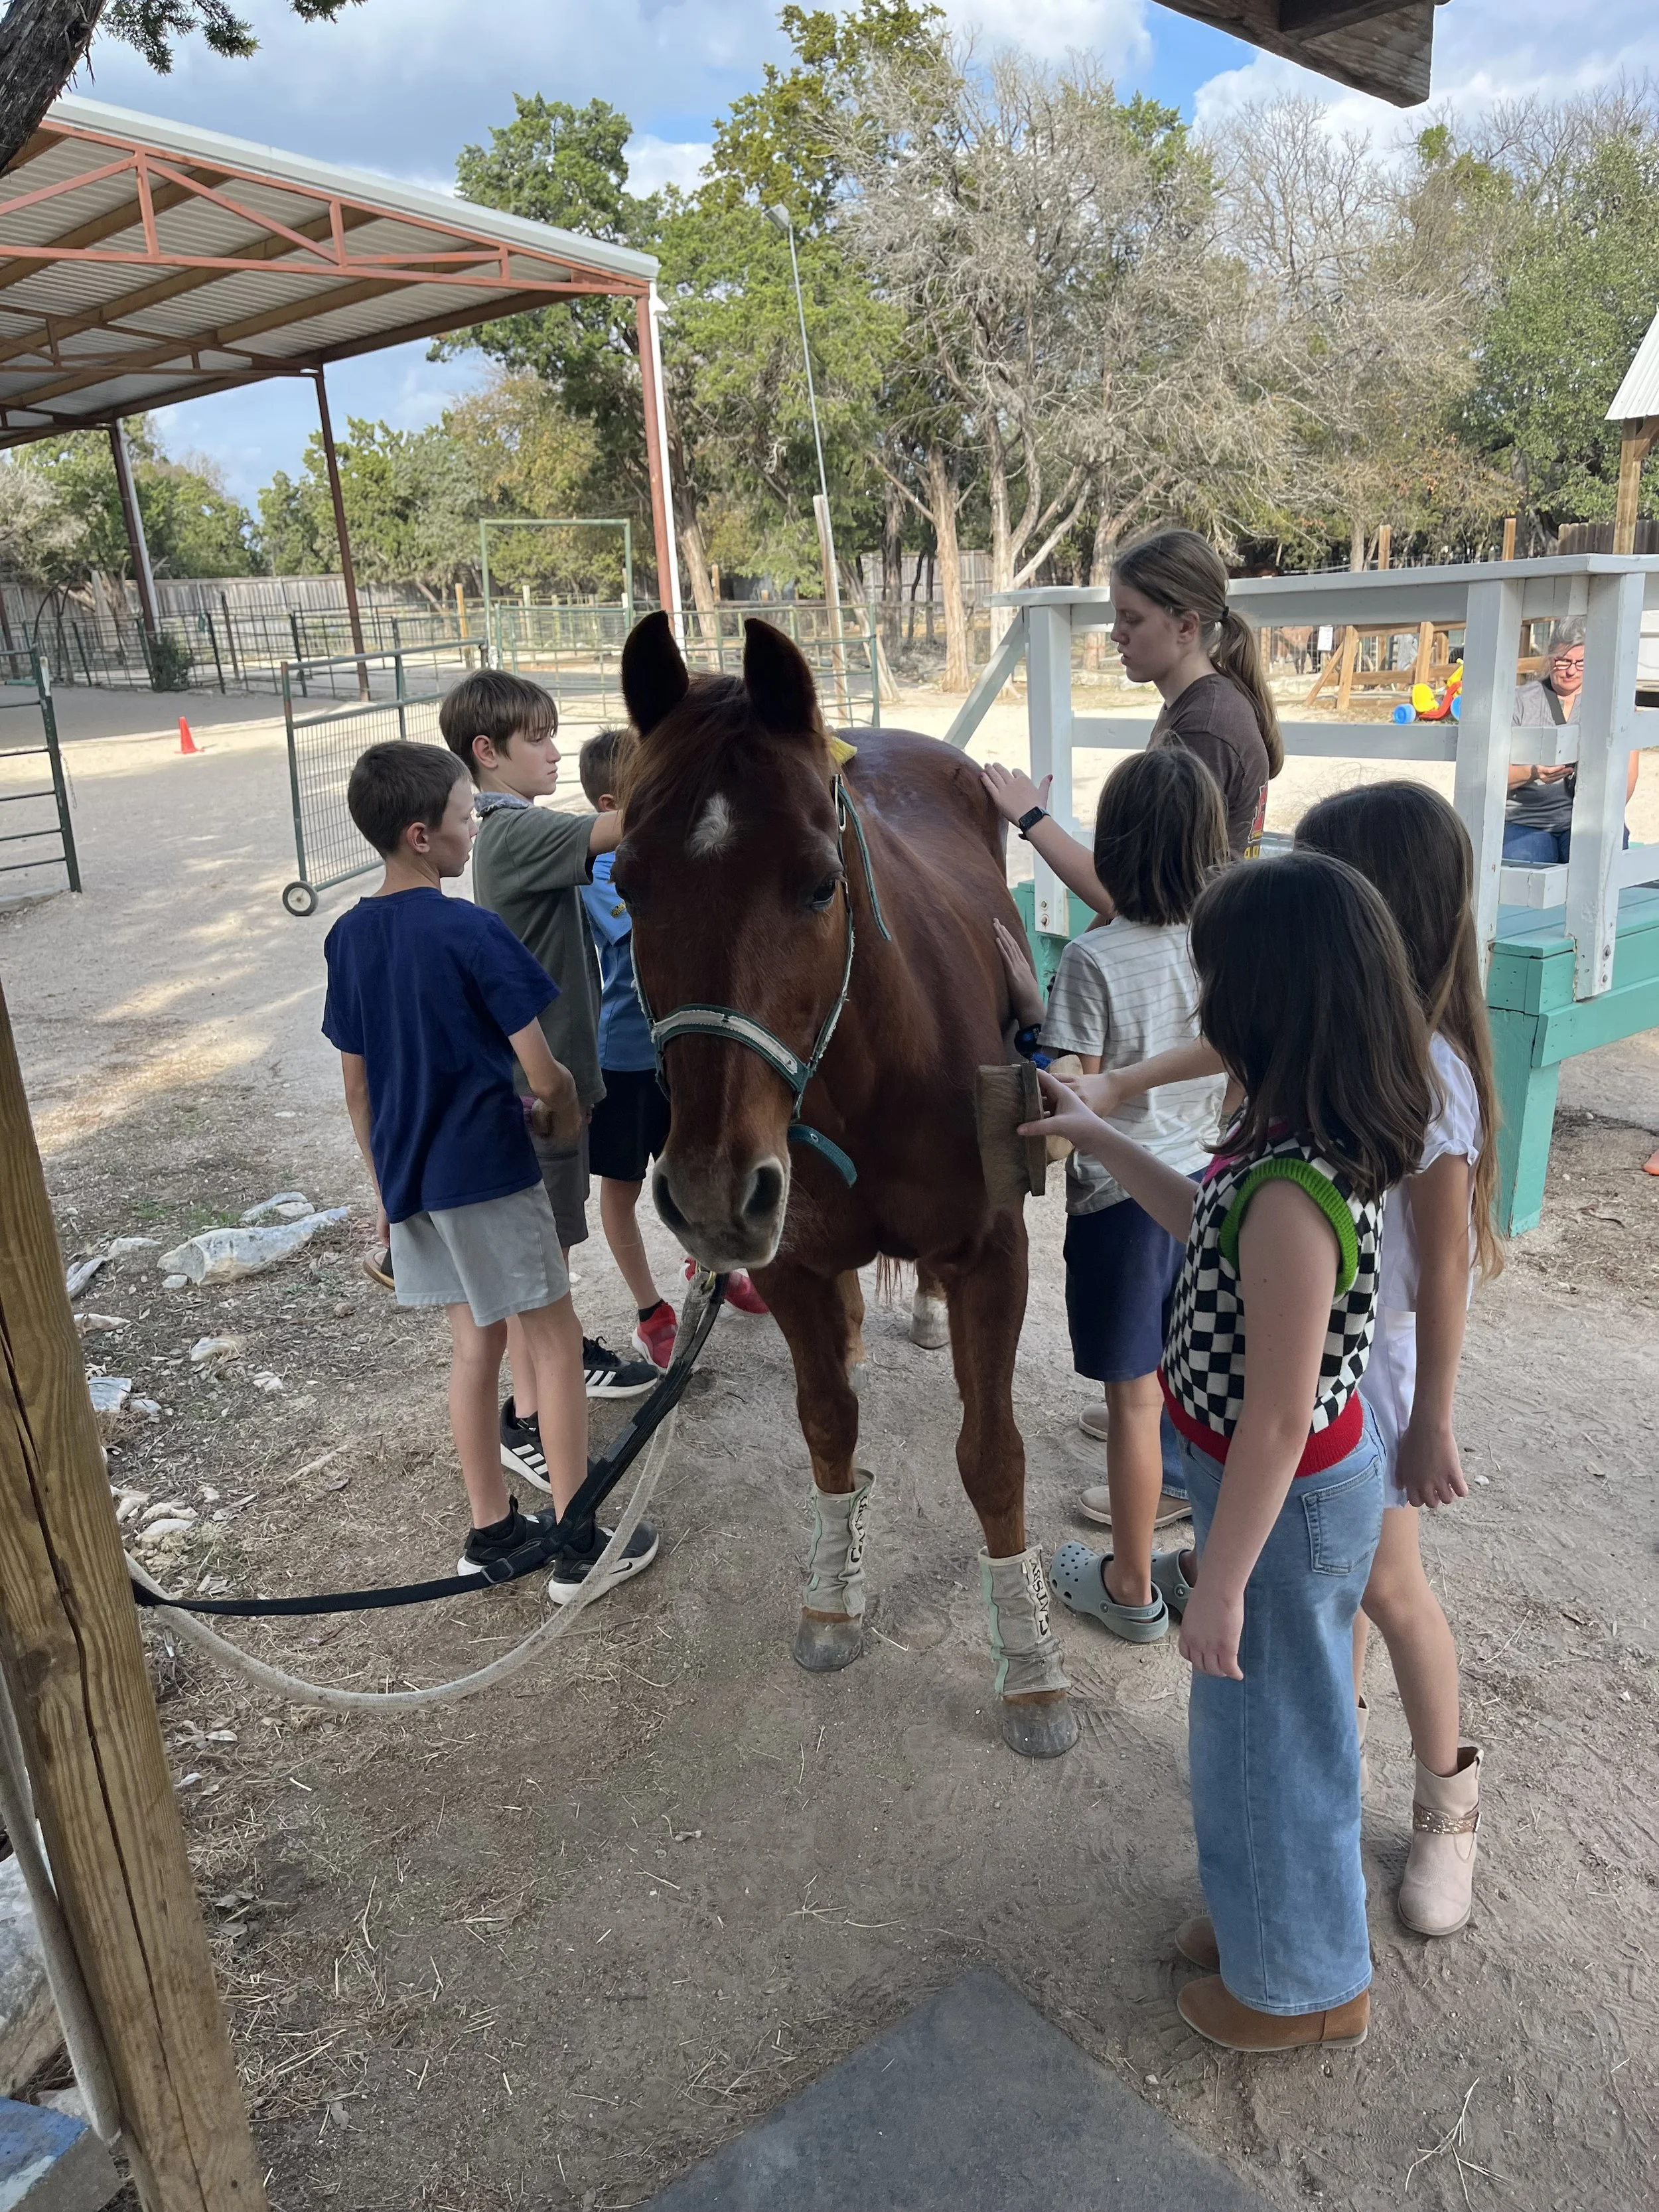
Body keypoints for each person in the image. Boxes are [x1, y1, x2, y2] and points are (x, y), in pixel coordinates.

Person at [1023, 851, 1433, 2052]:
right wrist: (1100, 1132)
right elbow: (1200, 1211)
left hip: (1285, 1509)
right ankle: (1266, 1919)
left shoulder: (1300, 1195)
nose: (1204, 1012)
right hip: (1267, 1497)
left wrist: (1224, 1581)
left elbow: (1277, 1416)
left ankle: (1303, 1988)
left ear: (1269, 1006)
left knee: (1275, 1736)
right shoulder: (1277, 1143)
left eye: (1218, 988)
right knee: (1253, 1732)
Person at [321, 741, 657, 1599]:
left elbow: (356, 1087)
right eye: (469, 816)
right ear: (423, 835)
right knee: (551, 1341)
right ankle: (579, 1540)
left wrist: (389, 1191)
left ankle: (492, 1528)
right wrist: (561, 1110)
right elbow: (545, 1073)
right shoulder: (472, 930)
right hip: (490, 1171)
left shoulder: (349, 937)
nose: (478, 830)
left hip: (415, 1185)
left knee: (473, 1347)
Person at [1296, 783, 1500, 1937]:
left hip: (1380, 1381)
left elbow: (1446, 1268)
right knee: (1338, 1584)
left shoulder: (1430, 1074)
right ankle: (1342, 1750)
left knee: (1388, 1583)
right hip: (1324, 1367)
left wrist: (1432, 1416)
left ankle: (1448, 1803)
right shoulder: (1342, 1035)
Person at [995, 751, 1228, 1631]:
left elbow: (1072, 1094)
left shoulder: (1092, 959)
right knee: (1203, 1389)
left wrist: (1029, 1017)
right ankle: (1202, 1563)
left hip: (1123, 1209)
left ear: (1115, 847)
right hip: (1207, 1186)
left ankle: (1130, 1587)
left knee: (1136, 1403)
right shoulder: (1222, 938)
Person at [438, 672, 660, 1501]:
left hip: (560, 1084)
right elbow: (629, 822)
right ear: (487, 753)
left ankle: (546, 1387)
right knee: (543, 1271)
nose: (556, 751)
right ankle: (531, 1419)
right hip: (546, 1096)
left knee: (550, 1258)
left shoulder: (509, 828)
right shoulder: (511, 831)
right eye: (540, 738)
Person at [574, 729, 768, 1372]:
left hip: (679, 1057)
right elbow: (656, 927)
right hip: (625, 1061)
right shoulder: (604, 870)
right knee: (623, 1190)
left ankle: (711, 1265)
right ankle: (649, 1314)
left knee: (699, 1166)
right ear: (611, 805)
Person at [981, 528, 1283, 903]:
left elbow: (1128, 901)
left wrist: (1031, 817)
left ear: (1186, 627)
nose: (1115, 634)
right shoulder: (1196, 705)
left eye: (1132, 619)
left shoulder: (1205, 729)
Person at [1506, 617, 1640, 863]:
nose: (1571, 670)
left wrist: (1605, 811)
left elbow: (1628, 774)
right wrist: (1533, 772)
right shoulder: (1519, 700)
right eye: (1563, 661)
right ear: (1550, 658)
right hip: (1526, 819)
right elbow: (1491, 772)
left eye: (1581, 663)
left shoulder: (1614, 703)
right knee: (1528, 863)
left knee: (1602, 857)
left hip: (1587, 818)